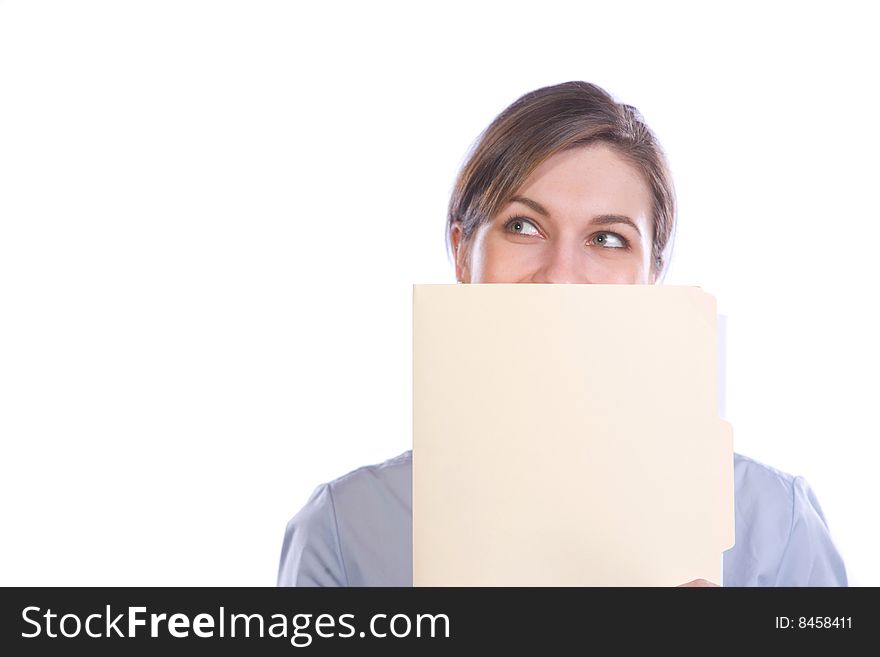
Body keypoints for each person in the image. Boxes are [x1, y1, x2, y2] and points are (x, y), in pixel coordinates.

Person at [277, 81, 848, 587]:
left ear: (653, 274)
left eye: (608, 239)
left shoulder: (779, 527)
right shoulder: (345, 532)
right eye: (523, 226)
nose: (561, 274)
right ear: (460, 252)